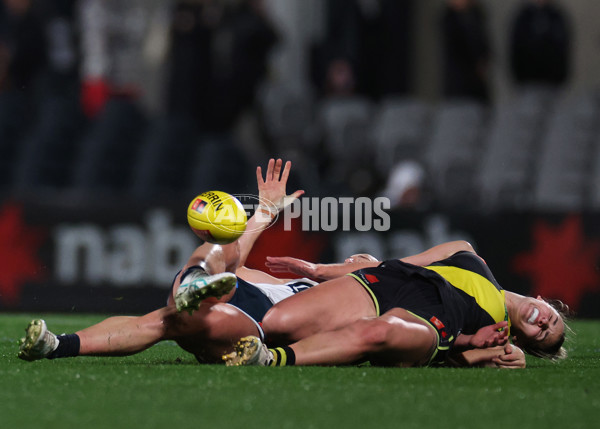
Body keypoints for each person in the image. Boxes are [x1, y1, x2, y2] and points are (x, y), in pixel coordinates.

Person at [224, 240, 569, 367]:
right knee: (276, 323)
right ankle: (215, 337)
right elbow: (396, 262)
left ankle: (271, 360)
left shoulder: (498, 338)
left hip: (438, 316)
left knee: (374, 333)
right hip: (397, 281)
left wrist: (512, 354)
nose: (543, 323)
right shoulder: (465, 251)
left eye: (542, 334)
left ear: (523, 338)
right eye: (551, 320)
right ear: (544, 301)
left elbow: (474, 357)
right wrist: (320, 270)